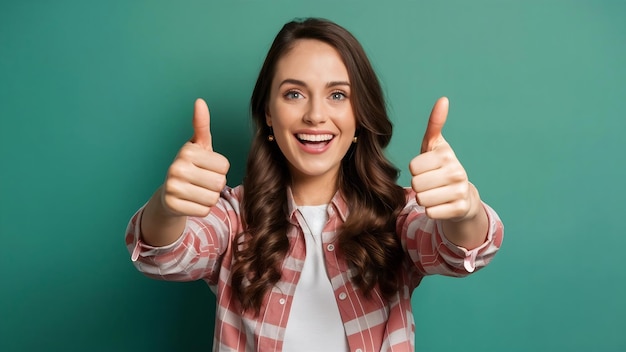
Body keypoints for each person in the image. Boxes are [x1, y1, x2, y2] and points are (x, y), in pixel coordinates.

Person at [125, 17, 503, 352]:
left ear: (360, 114)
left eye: (337, 95)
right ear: (269, 113)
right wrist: (168, 205)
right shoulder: (233, 217)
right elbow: (164, 257)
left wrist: (466, 210)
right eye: (294, 93)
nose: (316, 115)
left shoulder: (396, 215)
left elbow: (459, 252)